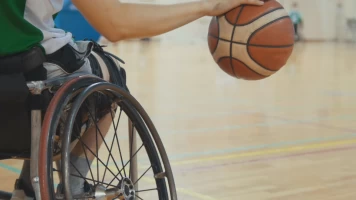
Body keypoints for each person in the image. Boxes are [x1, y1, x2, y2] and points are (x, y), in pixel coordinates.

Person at [0, 0, 265, 198]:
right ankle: (73, 187)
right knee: (108, 75)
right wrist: (208, 5)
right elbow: (116, 24)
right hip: (25, 79)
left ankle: (29, 186)